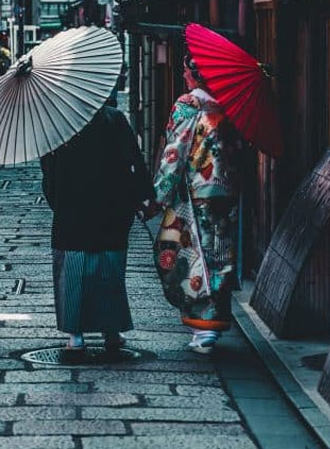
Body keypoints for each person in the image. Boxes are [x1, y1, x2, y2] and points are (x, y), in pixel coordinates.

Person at [40, 94, 152, 353]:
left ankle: (75, 336)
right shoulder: (114, 118)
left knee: (73, 272)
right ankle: (111, 332)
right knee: (109, 271)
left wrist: (57, 199)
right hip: (111, 210)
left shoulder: (59, 124)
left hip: (72, 211)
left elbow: (48, 170)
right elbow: (134, 161)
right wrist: (141, 197)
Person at [150, 54, 240, 354]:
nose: (184, 74)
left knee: (186, 254)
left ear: (195, 75)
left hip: (193, 191)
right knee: (218, 255)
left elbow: (176, 149)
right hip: (223, 192)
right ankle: (211, 323)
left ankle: (201, 326)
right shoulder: (223, 104)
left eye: (187, 70)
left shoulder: (189, 104)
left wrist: (160, 192)